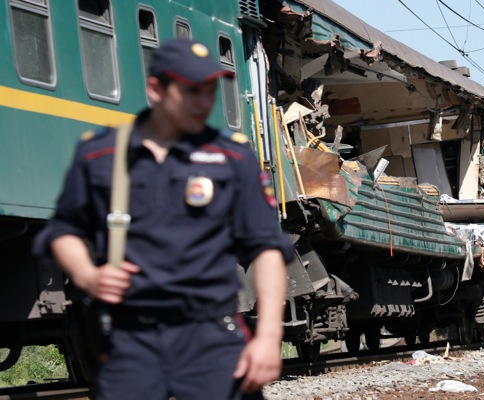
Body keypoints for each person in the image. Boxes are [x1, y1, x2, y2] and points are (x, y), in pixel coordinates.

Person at [34, 39, 292, 400]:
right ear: (156, 88)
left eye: (210, 90)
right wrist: (87, 274)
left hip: (211, 337)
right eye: (191, 91)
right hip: (130, 339)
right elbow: (64, 230)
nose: (204, 102)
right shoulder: (102, 155)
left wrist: (267, 337)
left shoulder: (232, 158)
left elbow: (266, 249)